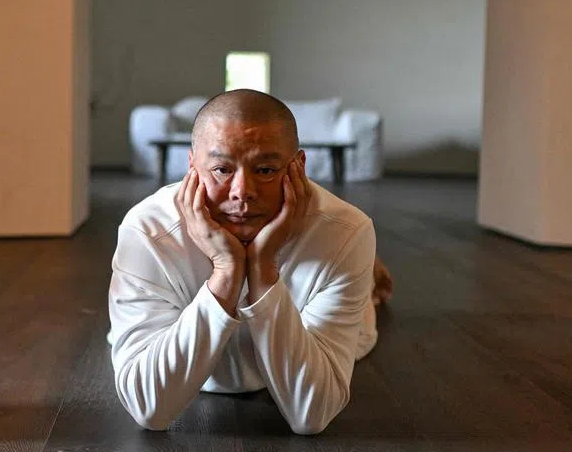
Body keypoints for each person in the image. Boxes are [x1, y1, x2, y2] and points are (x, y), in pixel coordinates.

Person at [108, 90, 385, 434]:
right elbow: (148, 408)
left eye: (266, 170)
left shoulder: (347, 232)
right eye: (222, 169)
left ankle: (368, 280)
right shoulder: (147, 232)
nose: (242, 191)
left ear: (298, 166)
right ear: (192, 166)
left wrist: (263, 269)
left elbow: (312, 415)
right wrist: (226, 272)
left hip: (335, 290)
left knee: (365, 304)